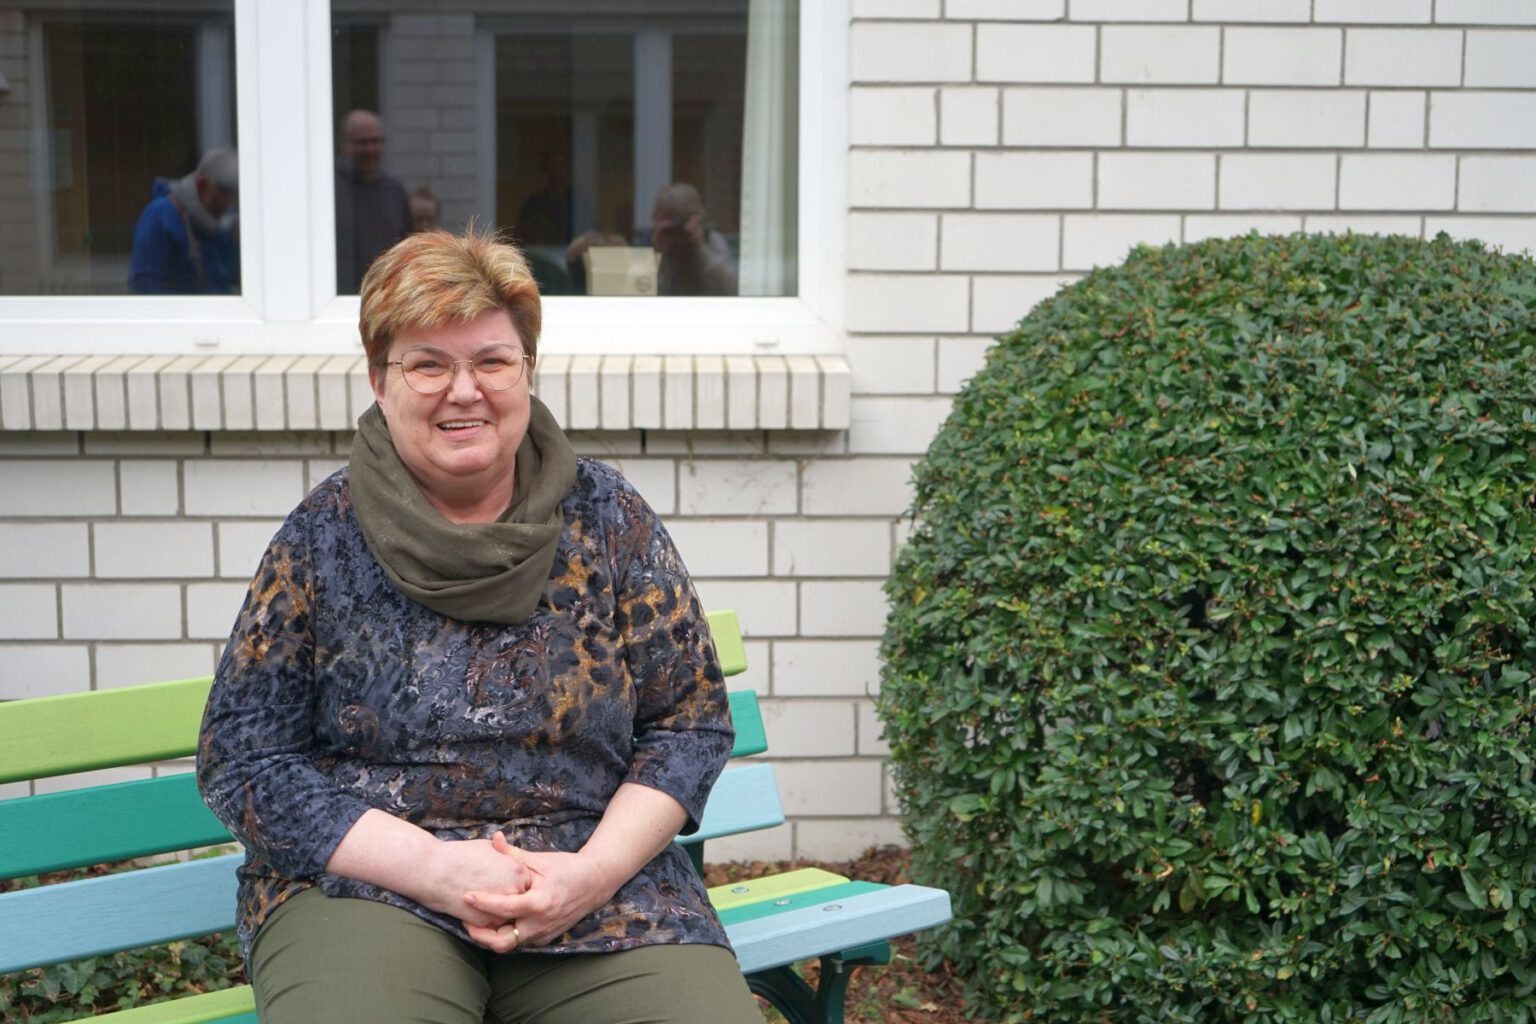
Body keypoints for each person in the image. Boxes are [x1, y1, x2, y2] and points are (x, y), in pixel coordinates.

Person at [196, 228, 761, 1024]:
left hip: (591, 884)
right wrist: (433, 868)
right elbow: (246, 758)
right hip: (369, 889)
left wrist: (591, 875)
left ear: (526, 370)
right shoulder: (321, 536)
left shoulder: (608, 517)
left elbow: (689, 722)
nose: (464, 391)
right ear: (379, 379)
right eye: (428, 364)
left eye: (493, 361)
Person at [128, 146, 239, 294]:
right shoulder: (160, 217)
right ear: (202, 184)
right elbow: (145, 286)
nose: (229, 202)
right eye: (225, 191)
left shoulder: (218, 227)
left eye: (235, 194)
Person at [335, 109, 412, 293]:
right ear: (343, 144)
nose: (370, 149)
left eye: (375, 141)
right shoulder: (328, 190)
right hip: (337, 300)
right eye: (362, 143)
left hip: (382, 297)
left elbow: (406, 249)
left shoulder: (394, 191)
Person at [649, 182, 737, 296]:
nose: (675, 228)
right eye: (667, 219)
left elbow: (731, 288)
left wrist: (700, 248)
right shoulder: (657, 242)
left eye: (679, 220)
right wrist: (658, 255)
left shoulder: (711, 240)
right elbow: (647, 290)